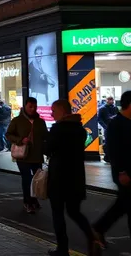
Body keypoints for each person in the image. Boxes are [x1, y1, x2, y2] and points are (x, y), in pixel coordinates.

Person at [45, 99, 97, 256]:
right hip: (75, 178)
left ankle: (62, 248)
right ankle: (92, 237)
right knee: (74, 212)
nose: (52, 114)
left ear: (62, 111)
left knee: (58, 213)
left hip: (59, 178)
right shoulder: (80, 130)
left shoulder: (57, 129)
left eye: (54, 111)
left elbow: (47, 149)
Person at [93, 90, 131, 249]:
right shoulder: (116, 123)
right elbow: (113, 150)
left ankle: (99, 228)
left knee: (124, 205)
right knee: (124, 204)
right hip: (124, 173)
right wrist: (122, 171)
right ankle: (98, 228)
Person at [6, 97, 47, 213]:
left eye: (35, 107)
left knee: (37, 179)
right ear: (25, 106)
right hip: (23, 155)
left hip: (37, 155)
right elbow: (8, 134)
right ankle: (27, 201)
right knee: (27, 178)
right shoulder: (17, 121)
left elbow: (45, 137)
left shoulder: (40, 122)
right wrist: (20, 140)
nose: (33, 109)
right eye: (30, 107)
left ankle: (34, 199)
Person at [98, 96, 118, 162]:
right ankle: (107, 157)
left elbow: (118, 116)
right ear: (106, 100)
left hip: (114, 127)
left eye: (112, 100)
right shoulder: (102, 108)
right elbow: (99, 119)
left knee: (114, 142)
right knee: (107, 142)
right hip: (106, 127)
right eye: (109, 100)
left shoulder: (115, 108)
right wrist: (105, 127)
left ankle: (112, 157)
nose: (111, 101)